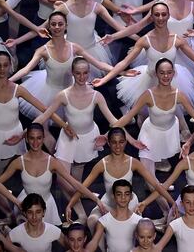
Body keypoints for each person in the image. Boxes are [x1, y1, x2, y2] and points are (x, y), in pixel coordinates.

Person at [34, 58, 127, 220]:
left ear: (89, 73)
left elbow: (115, 121)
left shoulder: (96, 95)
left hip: (87, 138)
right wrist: (24, 133)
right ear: (72, 73)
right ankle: (81, 214)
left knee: (76, 180)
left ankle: (77, 213)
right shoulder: (63, 95)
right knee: (63, 179)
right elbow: (45, 116)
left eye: (85, 73)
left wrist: (121, 138)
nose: (82, 77)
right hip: (68, 139)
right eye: (78, 73)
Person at [94, 2, 194, 109]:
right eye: (157, 15)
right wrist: (105, 79)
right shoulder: (144, 40)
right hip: (149, 81)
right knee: (145, 114)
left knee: (175, 113)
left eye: (163, 14)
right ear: (151, 17)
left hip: (172, 81)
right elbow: (124, 62)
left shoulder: (177, 40)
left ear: (168, 16)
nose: (160, 18)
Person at [8, 11, 120, 120]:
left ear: (66, 26)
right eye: (53, 24)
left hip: (71, 90)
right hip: (49, 91)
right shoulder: (43, 51)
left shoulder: (74, 47)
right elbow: (26, 69)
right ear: (49, 27)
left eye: (60, 24)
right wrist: (8, 80)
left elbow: (99, 64)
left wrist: (121, 71)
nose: (57, 27)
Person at [66, 128, 174, 235]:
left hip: (129, 204)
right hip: (107, 205)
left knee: (128, 230)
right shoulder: (102, 164)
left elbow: (156, 185)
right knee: (92, 220)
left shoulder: (133, 162)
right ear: (108, 143)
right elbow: (82, 187)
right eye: (114, 142)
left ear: (126, 142)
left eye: (121, 142)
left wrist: (171, 203)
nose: (118, 146)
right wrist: (71, 205)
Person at [112, 59, 194, 184]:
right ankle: (155, 187)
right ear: (156, 74)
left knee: (153, 182)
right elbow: (126, 118)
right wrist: (131, 141)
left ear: (173, 73)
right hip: (149, 135)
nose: (166, 76)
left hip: (168, 133)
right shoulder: (148, 95)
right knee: (149, 178)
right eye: (162, 73)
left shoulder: (179, 95)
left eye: (169, 72)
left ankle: (157, 188)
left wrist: (189, 142)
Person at [0, 123, 104, 225]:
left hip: (47, 207)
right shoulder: (19, 162)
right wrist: (16, 201)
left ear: (43, 139)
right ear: (27, 140)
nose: (35, 142)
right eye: (32, 138)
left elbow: (74, 183)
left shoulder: (51, 162)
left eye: (39, 138)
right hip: (26, 206)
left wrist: (96, 199)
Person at [155, 185, 194, 251]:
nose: (192, 205)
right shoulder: (175, 225)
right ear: (182, 203)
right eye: (188, 202)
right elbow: (159, 247)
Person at [87, 179, 142, 252]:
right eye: (119, 194)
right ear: (113, 196)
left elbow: (148, 245)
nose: (123, 197)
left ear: (131, 197)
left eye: (127, 194)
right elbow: (94, 242)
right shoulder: (104, 220)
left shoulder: (138, 220)